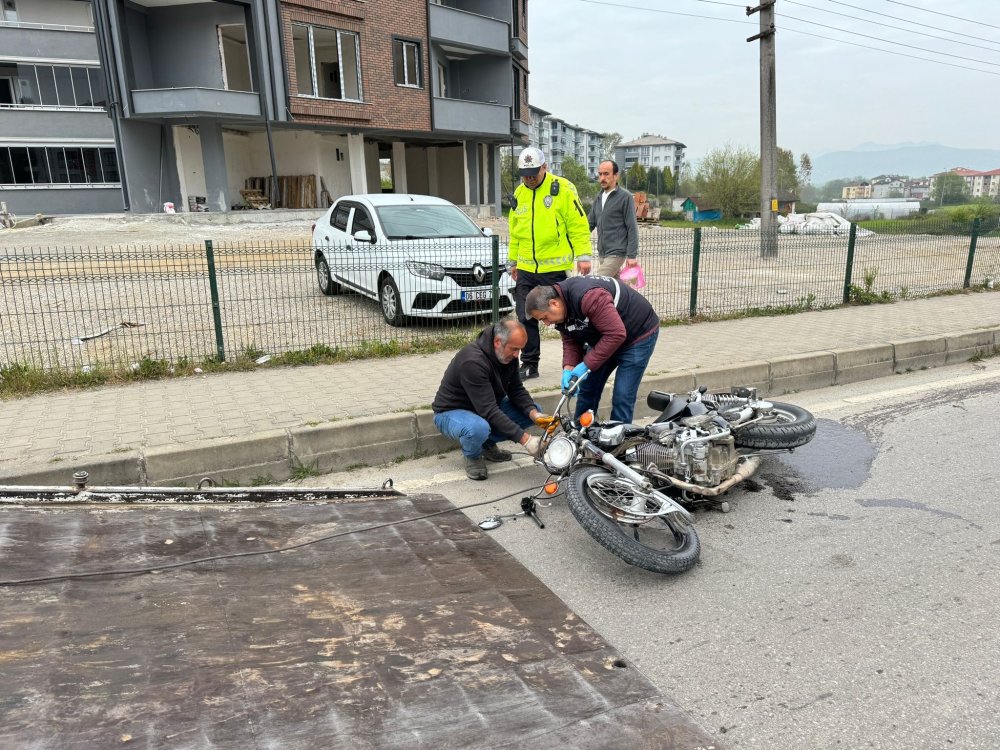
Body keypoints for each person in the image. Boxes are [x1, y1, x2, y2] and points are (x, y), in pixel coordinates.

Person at [525, 276, 659, 424]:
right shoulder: (561, 310)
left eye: (545, 317)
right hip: (605, 336)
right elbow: (571, 339)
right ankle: (581, 436)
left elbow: (616, 334)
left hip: (637, 335)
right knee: (587, 388)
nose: (547, 323)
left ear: (554, 303)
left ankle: (618, 440)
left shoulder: (588, 296)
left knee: (622, 395)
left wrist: (586, 365)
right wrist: (568, 368)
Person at [432, 319, 555, 480]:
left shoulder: (507, 355)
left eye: (520, 350)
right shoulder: (473, 361)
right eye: (515, 349)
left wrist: (534, 414)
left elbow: (516, 390)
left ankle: (486, 443)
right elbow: (489, 411)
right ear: (498, 342)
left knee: (534, 409)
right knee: (477, 428)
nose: (517, 355)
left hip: (483, 408)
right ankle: (473, 456)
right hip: (451, 413)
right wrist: (527, 440)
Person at [508, 146, 592, 380]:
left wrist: (584, 255)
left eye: (534, 173)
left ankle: (585, 355)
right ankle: (529, 363)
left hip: (554, 270)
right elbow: (515, 231)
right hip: (526, 268)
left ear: (545, 167)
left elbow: (578, 223)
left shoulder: (562, 189)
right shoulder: (519, 194)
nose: (530, 178)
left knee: (564, 317)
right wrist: (513, 260)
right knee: (526, 315)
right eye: (525, 174)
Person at [577, 159, 640, 279]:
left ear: (616, 176)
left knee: (597, 281)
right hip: (603, 253)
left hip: (616, 253)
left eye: (606, 174)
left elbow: (632, 227)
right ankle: (628, 297)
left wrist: (632, 255)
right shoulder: (599, 197)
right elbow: (589, 224)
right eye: (600, 174)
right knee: (615, 287)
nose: (602, 178)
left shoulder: (625, 197)